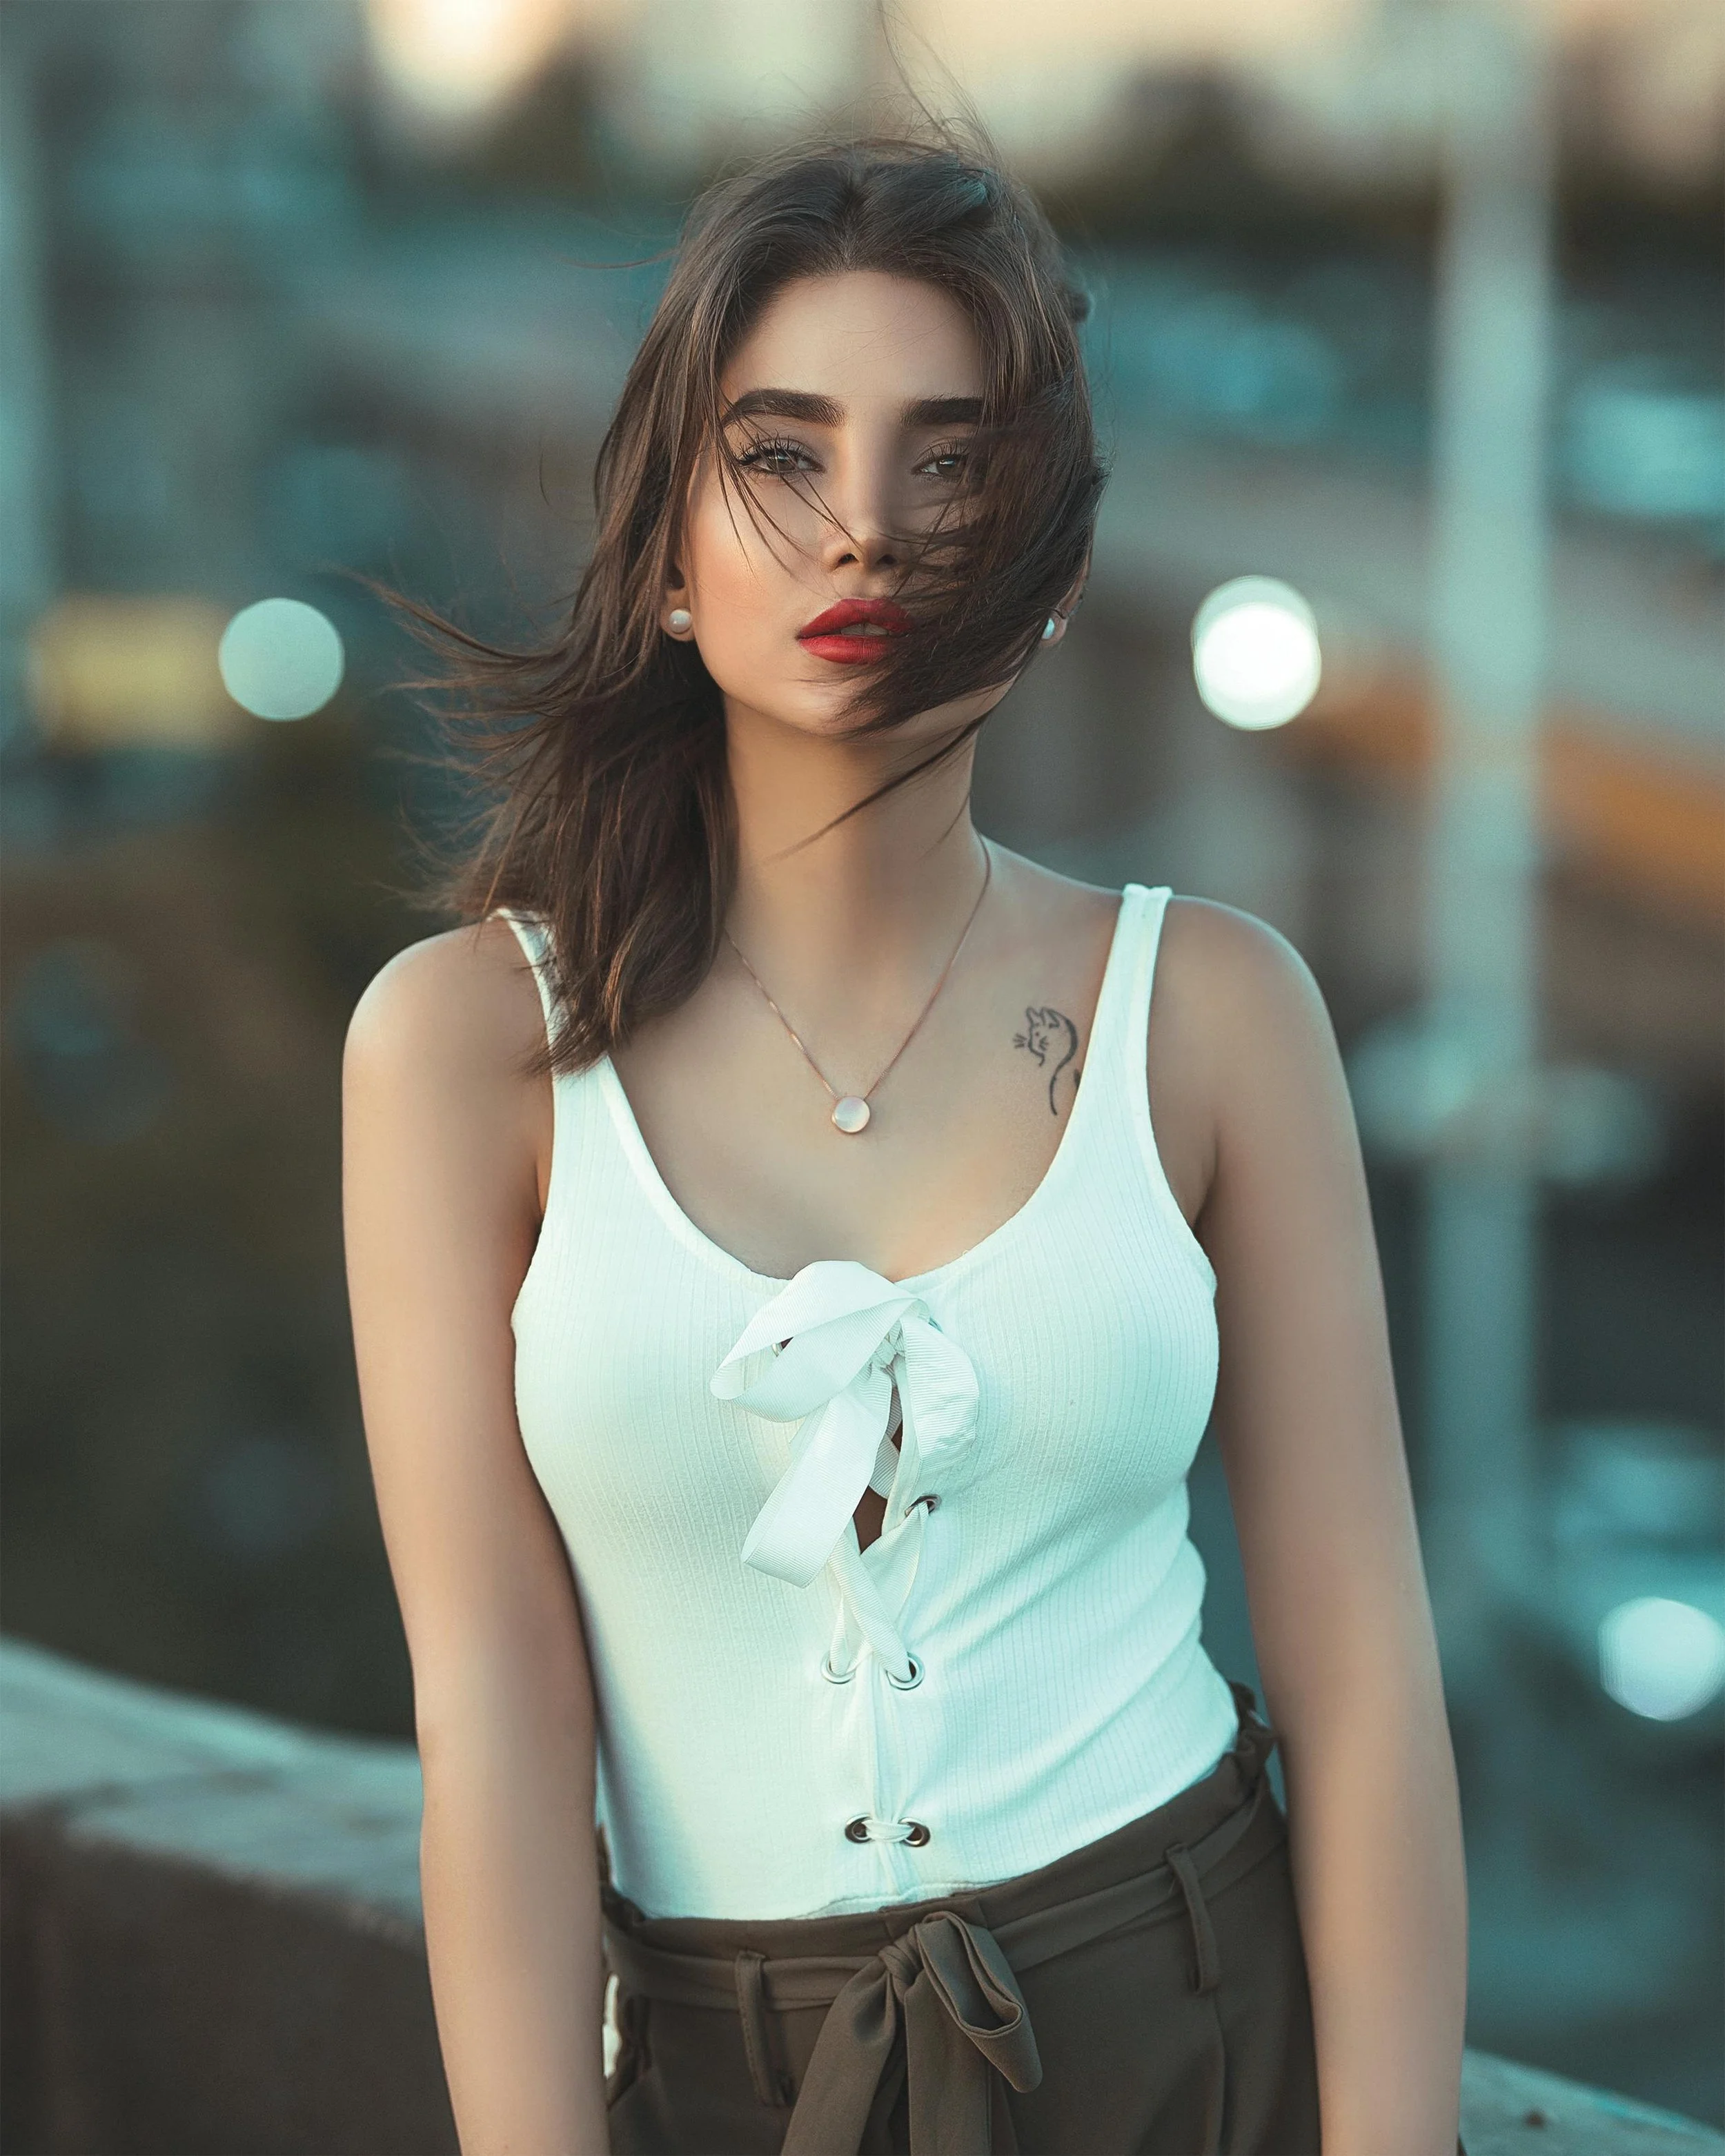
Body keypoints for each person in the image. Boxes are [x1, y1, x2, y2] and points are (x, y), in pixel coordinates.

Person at [342, 130, 1468, 2156]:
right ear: (666, 553)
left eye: (949, 466)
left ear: (1046, 563)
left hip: (1191, 2023)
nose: (863, 529)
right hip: (724, 2072)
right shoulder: (460, 1051)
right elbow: (493, 1721)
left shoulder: (1211, 1009)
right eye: (781, 455)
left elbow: (1365, 1673)